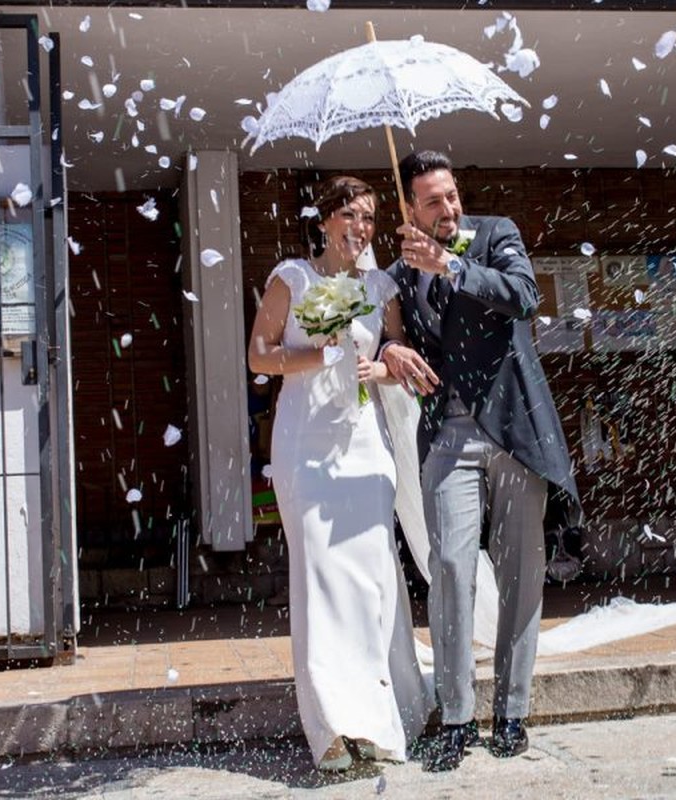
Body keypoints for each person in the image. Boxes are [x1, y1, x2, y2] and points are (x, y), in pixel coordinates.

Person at [380, 150, 582, 772]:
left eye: (452, 195)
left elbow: (522, 296)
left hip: (515, 433)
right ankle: (459, 717)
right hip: (447, 437)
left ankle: (513, 712)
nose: (449, 208)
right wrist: (390, 344)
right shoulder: (397, 272)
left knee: (523, 574)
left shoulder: (495, 236)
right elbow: (396, 338)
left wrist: (451, 264)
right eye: (434, 201)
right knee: (448, 566)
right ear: (410, 207)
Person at [247, 175, 433, 772]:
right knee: (322, 581)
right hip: (307, 446)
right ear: (324, 220)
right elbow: (259, 354)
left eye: (371, 219)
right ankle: (333, 728)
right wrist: (323, 352)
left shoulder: (380, 285)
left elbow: (393, 350)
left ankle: (384, 714)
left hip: (364, 445)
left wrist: (384, 364)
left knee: (375, 575)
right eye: (350, 215)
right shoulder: (292, 278)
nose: (361, 228)